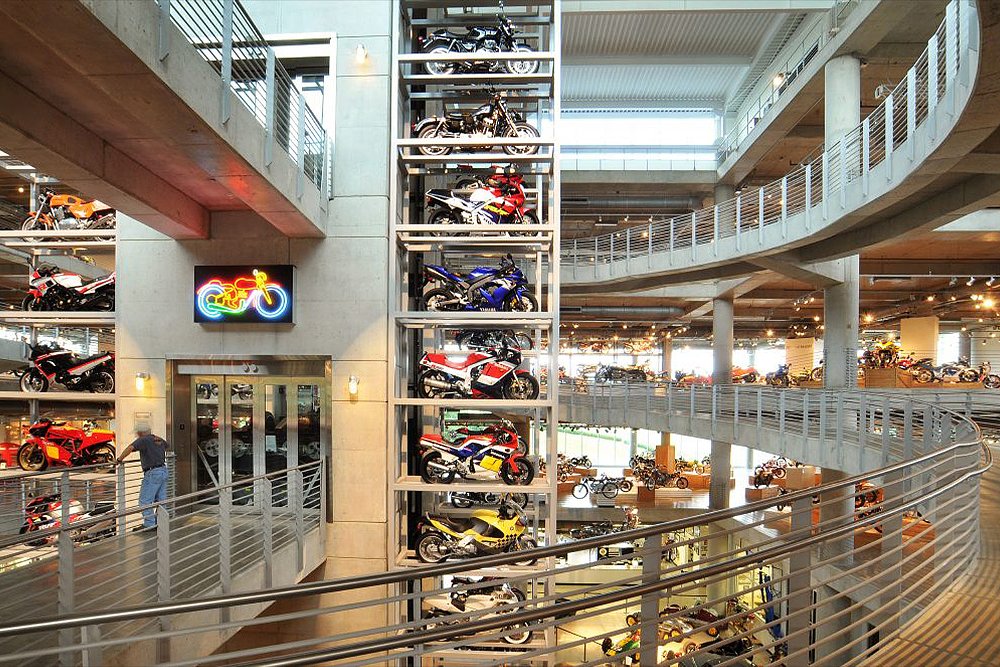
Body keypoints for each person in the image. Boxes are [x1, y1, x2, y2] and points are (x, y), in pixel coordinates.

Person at [116, 424, 169, 532]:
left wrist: (119, 459)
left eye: (138, 433)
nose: (137, 435)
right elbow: (166, 445)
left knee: (144, 501)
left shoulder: (143, 440)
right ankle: (161, 522)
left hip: (152, 472)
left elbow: (130, 448)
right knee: (161, 500)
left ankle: (149, 524)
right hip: (163, 470)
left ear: (141, 432)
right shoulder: (157, 438)